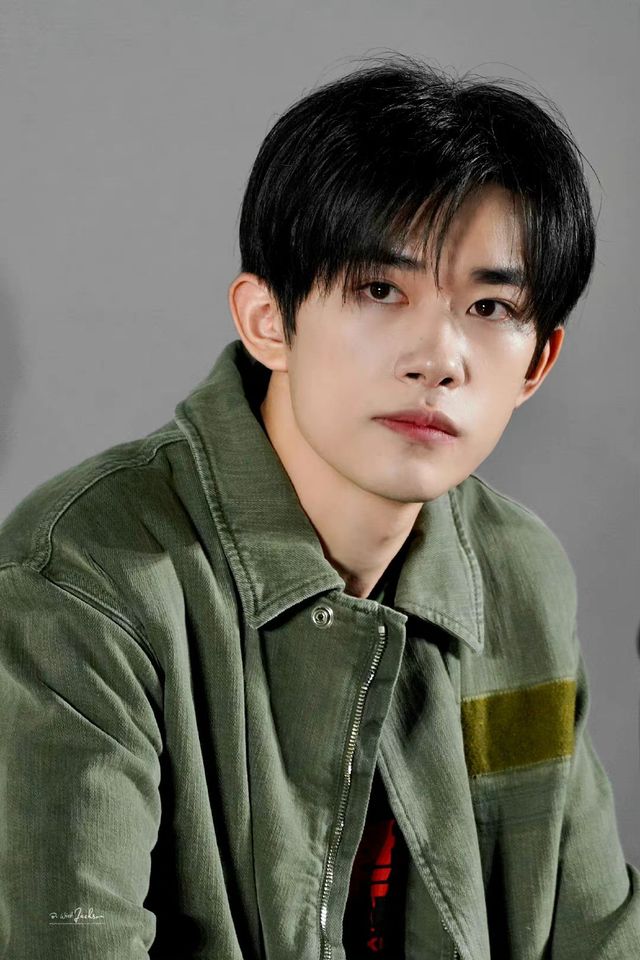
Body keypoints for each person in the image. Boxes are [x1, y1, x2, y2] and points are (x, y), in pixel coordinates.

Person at [0, 51, 638, 960]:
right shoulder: (83, 582)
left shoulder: (518, 574)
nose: (439, 358)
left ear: (537, 364)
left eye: (491, 307)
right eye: (381, 290)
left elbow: (597, 931)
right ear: (268, 321)